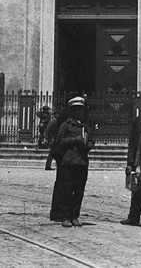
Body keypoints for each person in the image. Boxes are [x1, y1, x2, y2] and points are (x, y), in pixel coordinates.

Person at [49, 95, 93, 227]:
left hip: (82, 162)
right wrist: (74, 140)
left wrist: (88, 145)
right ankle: (66, 216)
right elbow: (59, 141)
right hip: (68, 162)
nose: (77, 112)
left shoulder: (85, 126)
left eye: (80, 109)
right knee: (67, 190)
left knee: (79, 190)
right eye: (75, 109)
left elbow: (91, 140)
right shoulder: (65, 125)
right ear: (70, 111)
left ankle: (75, 216)